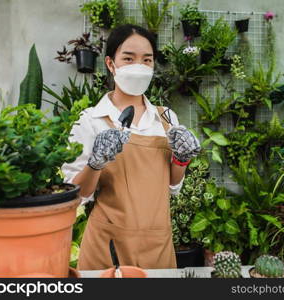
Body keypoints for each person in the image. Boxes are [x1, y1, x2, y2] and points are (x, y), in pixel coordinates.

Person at [61, 24, 201, 270]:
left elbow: (172, 185)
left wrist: (181, 159)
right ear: (110, 63)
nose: (139, 66)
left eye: (146, 60)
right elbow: (76, 196)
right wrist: (95, 163)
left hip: (158, 243)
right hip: (108, 247)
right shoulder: (91, 120)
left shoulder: (166, 118)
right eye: (128, 58)